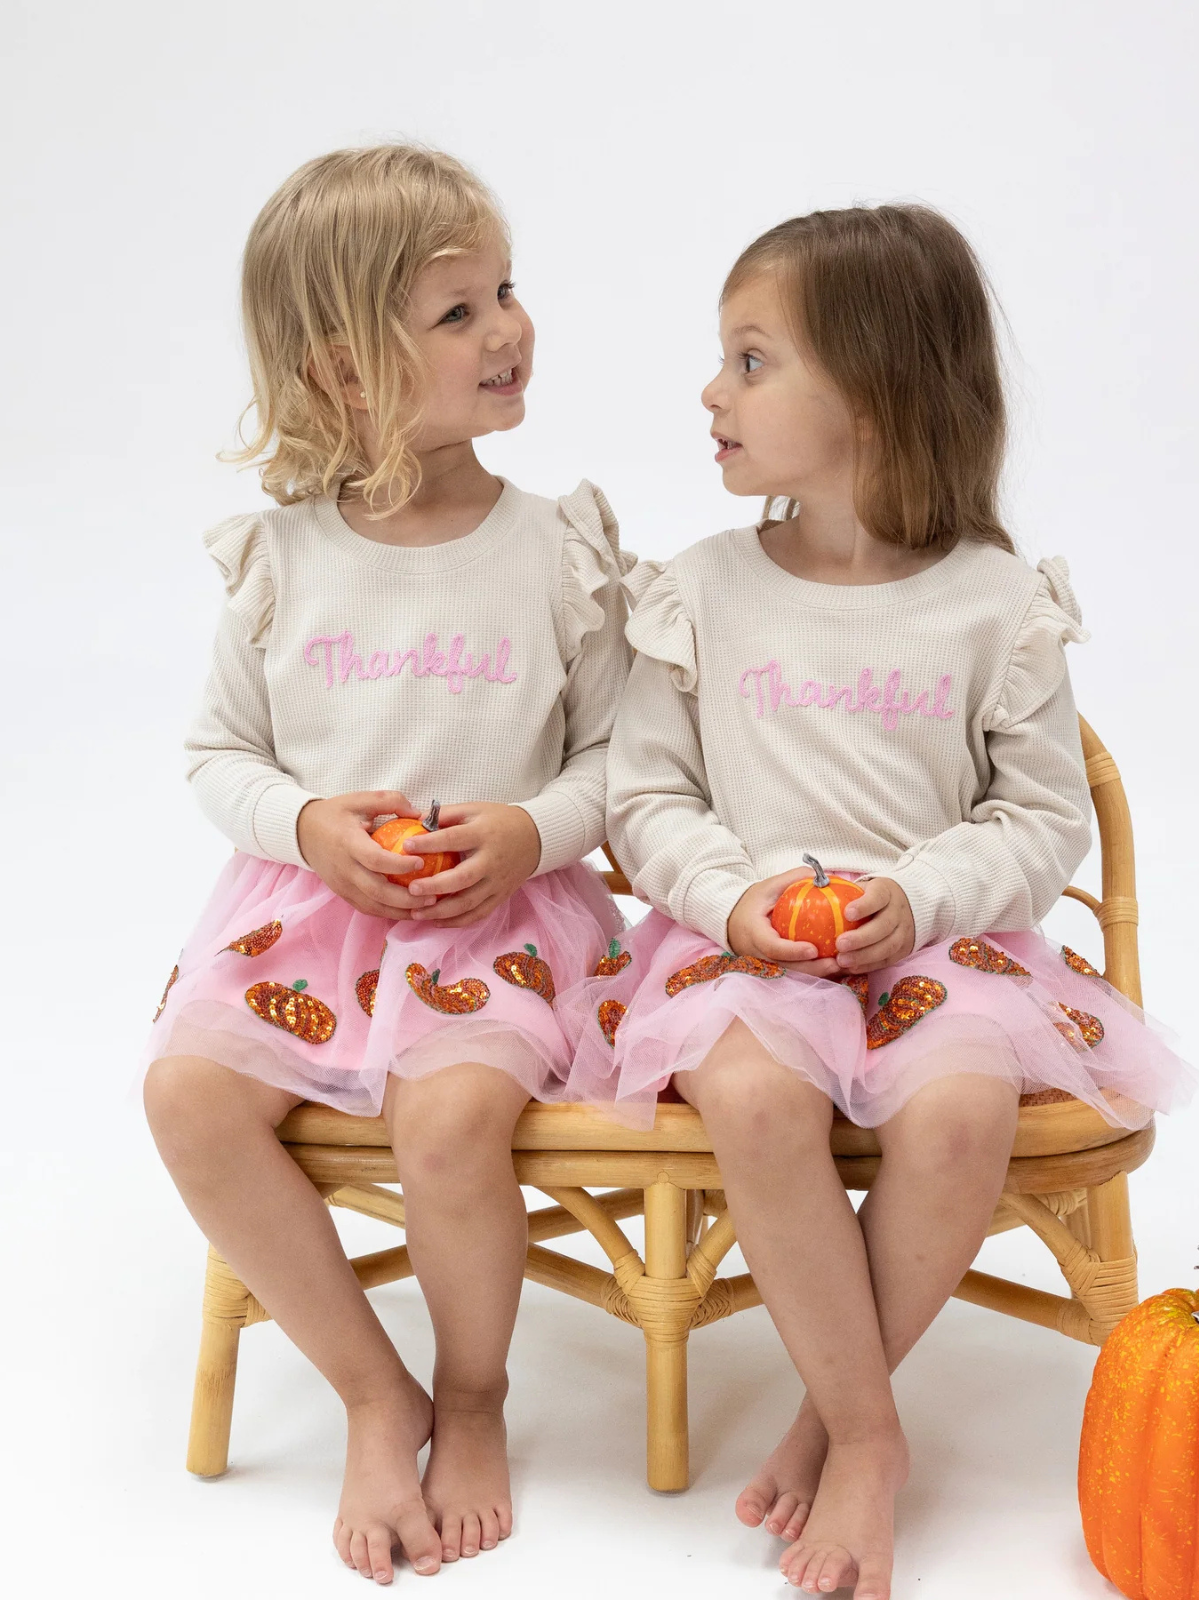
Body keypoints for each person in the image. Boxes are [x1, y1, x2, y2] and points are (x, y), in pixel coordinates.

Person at [562, 204, 1192, 1599]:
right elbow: (644, 799)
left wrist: (915, 896)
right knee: (754, 1095)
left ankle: (830, 1423)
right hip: (739, 955)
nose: (711, 394)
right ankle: (871, 1431)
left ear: (875, 390)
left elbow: (1037, 818)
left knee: (963, 1109)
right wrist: (733, 904)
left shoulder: (993, 602)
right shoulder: (697, 593)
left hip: (941, 951)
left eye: (749, 359)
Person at [143, 143, 631, 1585]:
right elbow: (217, 756)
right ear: (346, 376)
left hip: (501, 920)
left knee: (446, 1123)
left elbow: (623, 764)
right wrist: (306, 826)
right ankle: (375, 1391)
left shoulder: (555, 551)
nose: (508, 330)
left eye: (505, 292)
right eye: (457, 313)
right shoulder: (284, 559)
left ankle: (471, 1395)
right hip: (313, 920)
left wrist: (528, 830)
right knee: (185, 1095)